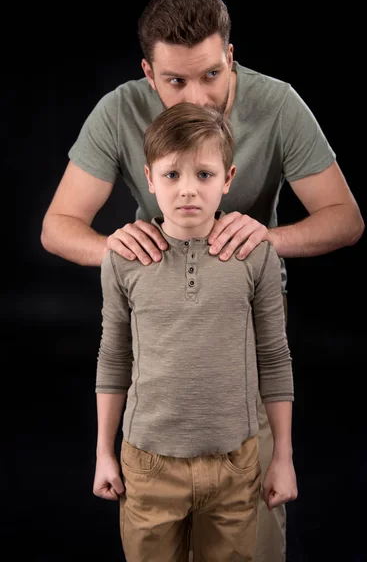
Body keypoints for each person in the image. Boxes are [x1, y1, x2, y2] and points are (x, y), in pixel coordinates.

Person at [40, 0, 364, 561]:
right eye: (177, 81)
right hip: (156, 308)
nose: (200, 95)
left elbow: (346, 219)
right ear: (148, 72)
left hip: (245, 309)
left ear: (230, 55)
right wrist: (117, 246)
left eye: (213, 74)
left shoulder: (279, 103)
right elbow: (58, 225)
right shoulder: (119, 109)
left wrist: (268, 237)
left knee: (252, 528)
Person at [93, 101, 297, 561]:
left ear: (228, 179)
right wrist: (104, 453)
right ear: (149, 178)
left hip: (235, 463)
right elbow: (113, 358)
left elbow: (274, 357)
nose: (187, 190)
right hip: (148, 464)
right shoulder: (123, 258)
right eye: (172, 176)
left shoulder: (256, 255)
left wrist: (281, 458)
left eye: (204, 175)